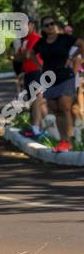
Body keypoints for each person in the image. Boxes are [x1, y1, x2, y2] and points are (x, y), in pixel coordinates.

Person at [27, 15, 84, 152]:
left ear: (55, 25)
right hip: (49, 79)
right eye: (46, 25)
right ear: (44, 29)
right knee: (56, 109)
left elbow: (82, 44)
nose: (50, 27)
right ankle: (62, 141)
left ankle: (67, 141)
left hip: (65, 76)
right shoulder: (42, 43)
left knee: (64, 107)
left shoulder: (64, 38)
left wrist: (73, 56)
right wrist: (39, 65)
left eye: (52, 24)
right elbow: (30, 54)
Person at [19, 20, 46, 138]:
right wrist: (23, 54)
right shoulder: (25, 39)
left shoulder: (35, 38)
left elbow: (27, 55)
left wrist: (23, 54)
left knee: (36, 99)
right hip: (28, 72)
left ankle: (36, 128)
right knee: (31, 100)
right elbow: (18, 56)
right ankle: (38, 127)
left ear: (31, 25)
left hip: (36, 71)